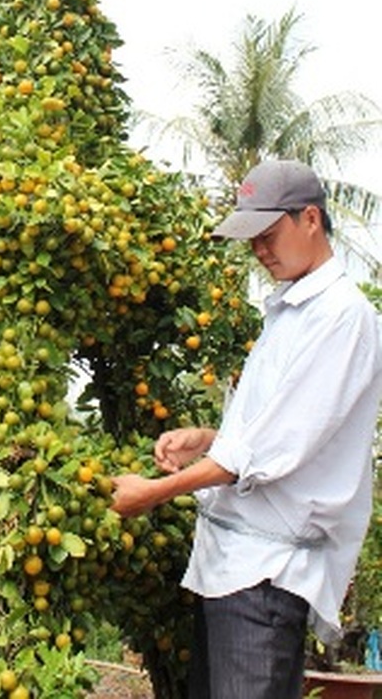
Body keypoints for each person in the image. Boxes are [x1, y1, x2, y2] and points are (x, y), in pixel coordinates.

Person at [111, 158, 382, 699]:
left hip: (266, 578)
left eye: (268, 233)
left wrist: (154, 493)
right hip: (234, 568)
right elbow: (280, 432)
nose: (259, 249)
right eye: (251, 238)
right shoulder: (290, 311)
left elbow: (267, 452)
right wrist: (208, 440)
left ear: (310, 219)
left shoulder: (340, 317)